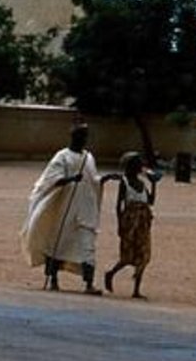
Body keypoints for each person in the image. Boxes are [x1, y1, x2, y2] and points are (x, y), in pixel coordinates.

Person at [20, 122, 107, 294]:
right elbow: (51, 180)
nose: (84, 140)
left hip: (84, 209)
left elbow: (92, 180)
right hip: (64, 209)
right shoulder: (62, 157)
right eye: (81, 136)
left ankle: (89, 284)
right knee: (58, 244)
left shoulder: (88, 158)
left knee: (87, 246)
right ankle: (53, 279)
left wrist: (103, 180)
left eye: (85, 137)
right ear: (74, 137)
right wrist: (71, 179)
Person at [103, 151, 158, 298]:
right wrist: (119, 224)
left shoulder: (142, 184)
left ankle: (136, 289)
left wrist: (153, 184)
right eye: (138, 164)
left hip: (142, 223)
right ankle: (111, 273)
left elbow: (151, 201)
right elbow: (118, 206)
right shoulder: (125, 183)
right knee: (127, 255)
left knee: (143, 255)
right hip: (130, 223)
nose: (141, 166)